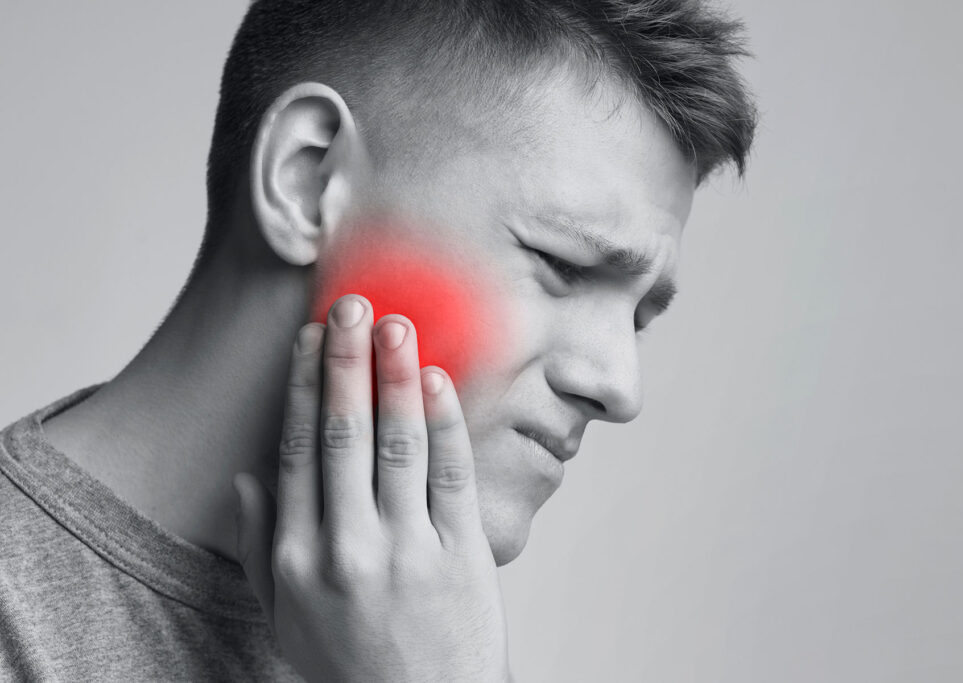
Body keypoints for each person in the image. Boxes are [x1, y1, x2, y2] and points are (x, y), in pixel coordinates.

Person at [0, 0, 757, 680]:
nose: (620, 385)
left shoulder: (425, 629)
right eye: (564, 264)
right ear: (306, 179)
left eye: (639, 317)